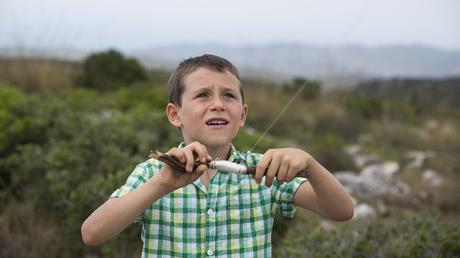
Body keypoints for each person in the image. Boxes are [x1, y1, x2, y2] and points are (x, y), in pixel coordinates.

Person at [81, 54, 354, 257]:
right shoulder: (154, 172)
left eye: (228, 96)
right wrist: (161, 185)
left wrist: (310, 163)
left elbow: (341, 210)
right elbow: (93, 233)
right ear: (175, 114)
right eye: (202, 95)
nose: (217, 105)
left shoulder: (263, 170)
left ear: (243, 115)